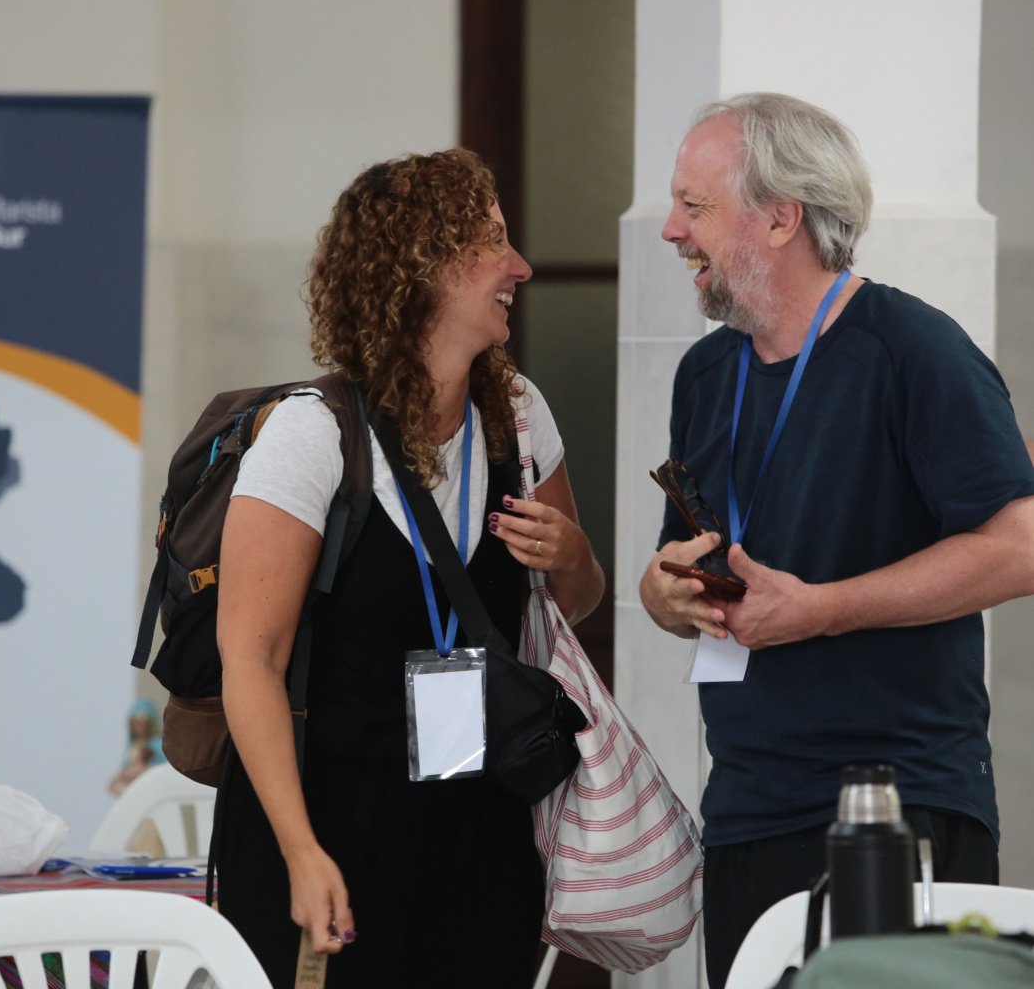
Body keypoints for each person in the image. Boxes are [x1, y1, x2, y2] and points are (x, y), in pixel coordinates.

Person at [639, 91, 1034, 989]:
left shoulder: (915, 349)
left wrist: (822, 610)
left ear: (781, 218)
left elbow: (1019, 548)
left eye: (694, 206)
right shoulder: (706, 371)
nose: (670, 230)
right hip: (746, 806)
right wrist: (662, 592)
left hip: (893, 806)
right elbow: (682, 558)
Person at [212, 148, 605, 988]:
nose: (520, 267)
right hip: (327, 828)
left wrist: (573, 556)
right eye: (493, 242)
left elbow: (572, 603)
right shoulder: (314, 433)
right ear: (424, 266)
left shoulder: (518, 417)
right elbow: (249, 660)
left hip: (480, 822)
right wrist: (301, 852)